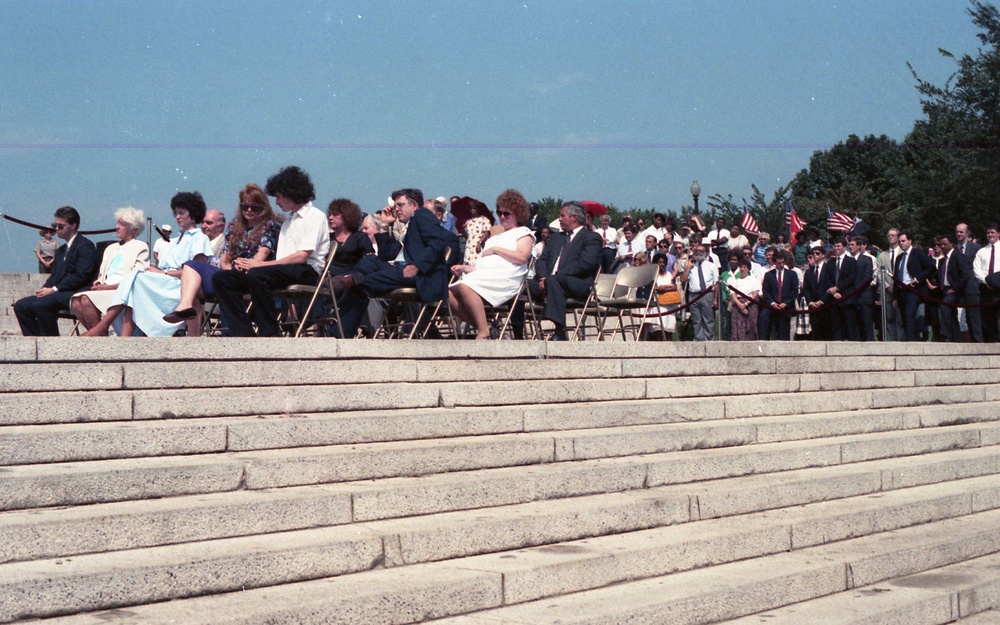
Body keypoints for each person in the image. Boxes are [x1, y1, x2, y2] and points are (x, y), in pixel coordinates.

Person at [212, 166, 330, 337]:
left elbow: (301, 256)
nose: (277, 202)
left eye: (279, 197)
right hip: (282, 270)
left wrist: (260, 265)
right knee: (222, 279)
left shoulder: (315, 216)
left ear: (292, 194)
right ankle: (243, 332)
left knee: (257, 274)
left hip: (306, 270)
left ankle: (270, 332)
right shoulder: (289, 220)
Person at [83, 192, 213, 337]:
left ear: (193, 214)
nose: (177, 216)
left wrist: (162, 273)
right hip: (165, 283)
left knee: (136, 277)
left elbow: (195, 272)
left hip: (181, 285)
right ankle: (121, 334)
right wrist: (156, 271)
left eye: (182, 212)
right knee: (136, 280)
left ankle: (106, 327)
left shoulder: (199, 238)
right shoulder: (174, 241)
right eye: (175, 212)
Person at [333, 188, 453, 339]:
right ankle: (352, 277)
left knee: (360, 284)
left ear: (414, 205)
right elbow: (386, 256)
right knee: (371, 260)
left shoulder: (422, 215)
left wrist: (417, 266)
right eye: (396, 206)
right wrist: (384, 225)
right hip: (399, 268)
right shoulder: (409, 225)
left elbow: (437, 243)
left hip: (419, 275)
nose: (396, 209)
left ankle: (340, 333)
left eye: (400, 205)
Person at [164, 184, 282, 336]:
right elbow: (226, 255)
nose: (249, 211)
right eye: (245, 207)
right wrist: (227, 268)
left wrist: (242, 267)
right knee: (192, 265)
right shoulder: (235, 225)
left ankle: (196, 329)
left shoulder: (270, 226)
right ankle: (185, 306)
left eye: (255, 207)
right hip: (232, 272)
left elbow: (262, 254)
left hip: (253, 272)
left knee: (219, 279)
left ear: (263, 207)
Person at [448, 189, 534, 339]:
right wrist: (464, 268)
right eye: (500, 213)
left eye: (506, 214)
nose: (502, 217)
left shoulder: (523, 233)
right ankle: (484, 326)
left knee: (464, 286)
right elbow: (482, 265)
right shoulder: (495, 237)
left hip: (506, 278)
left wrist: (496, 249)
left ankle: (483, 331)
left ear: (517, 214)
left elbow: (521, 257)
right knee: (447, 292)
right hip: (485, 275)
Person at [517, 201, 602, 341]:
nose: (559, 219)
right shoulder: (556, 238)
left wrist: (554, 276)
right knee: (519, 285)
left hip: (577, 283)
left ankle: (559, 331)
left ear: (574, 217)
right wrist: (544, 278)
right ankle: (517, 331)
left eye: (562, 216)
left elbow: (586, 264)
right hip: (549, 282)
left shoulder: (591, 237)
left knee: (553, 280)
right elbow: (541, 260)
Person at [14, 206, 99, 336]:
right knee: (21, 306)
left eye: (61, 226)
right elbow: (55, 276)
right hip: (59, 292)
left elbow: (81, 276)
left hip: (77, 293)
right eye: (55, 225)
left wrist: (54, 289)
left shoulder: (85, 246)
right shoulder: (60, 251)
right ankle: (36, 341)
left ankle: (50, 342)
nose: (56, 229)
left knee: (42, 304)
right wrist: (45, 289)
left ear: (73, 225)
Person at [70, 207, 150, 331]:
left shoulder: (140, 247)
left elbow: (137, 277)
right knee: (76, 301)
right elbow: (102, 275)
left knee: (86, 300)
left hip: (123, 292)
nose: (117, 227)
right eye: (117, 223)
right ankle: (99, 336)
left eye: (122, 224)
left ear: (134, 230)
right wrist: (99, 283)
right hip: (105, 289)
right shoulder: (110, 248)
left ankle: (99, 336)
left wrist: (108, 287)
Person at [895, 231, 936, 342]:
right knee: (905, 317)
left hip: (914, 290)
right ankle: (914, 339)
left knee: (909, 315)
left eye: (903, 241)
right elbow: (896, 277)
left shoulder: (917, 253)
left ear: (910, 241)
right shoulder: (899, 258)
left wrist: (918, 279)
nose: (901, 244)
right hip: (902, 291)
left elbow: (931, 266)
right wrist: (895, 297)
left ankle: (911, 342)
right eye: (899, 242)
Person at [680, 243, 718, 341]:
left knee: (708, 320)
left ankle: (709, 341)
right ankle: (698, 340)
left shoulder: (711, 266)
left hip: (707, 295)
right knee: (696, 320)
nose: (699, 253)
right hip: (693, 296)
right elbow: (683, 280)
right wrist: (688, 268)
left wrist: (715, 300)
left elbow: (716, 283)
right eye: (697, 251)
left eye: (701, 251)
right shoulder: (691, 266)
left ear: (706, 253)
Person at [937, 233, 970, 342]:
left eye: (944, 244)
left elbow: (965, 274)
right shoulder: (943, 260)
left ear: (951, 244)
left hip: (955, 290)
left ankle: (946, 334)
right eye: (941, 244)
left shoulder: (957, 256)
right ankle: (956, 337)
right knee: (951, 314)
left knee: (944, 306)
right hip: (944, 289)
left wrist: (955, 288)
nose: (942, 247)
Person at [760, 249, 799, 340]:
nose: (781, 265)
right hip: (772, 306)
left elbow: (794, 291)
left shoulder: (792, 274)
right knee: (764, 318)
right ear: (774, 263)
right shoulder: (768, 275)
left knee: (784, 333)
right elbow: (766, 291)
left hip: (786, 307)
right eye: (779, 263)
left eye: (782, 262)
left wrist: (785, 303)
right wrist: (773, 303)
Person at [956, 223, 983, 342]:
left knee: (974, 316)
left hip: (972, 287)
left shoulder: (975, 248)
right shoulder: (954, 248)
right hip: (958, 287)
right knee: (964, 317)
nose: (959, 234)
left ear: (967, 233)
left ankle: (978, 342)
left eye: (961, 232)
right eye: (957, 232)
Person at [974, 224, 1000, 342]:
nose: (990, 235)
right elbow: (976, 269)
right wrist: (986, 281)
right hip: (985, 288)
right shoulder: (981, 251)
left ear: (998, 234)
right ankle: (991, 340)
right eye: (988, 232)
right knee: (987, 315)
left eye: (993, 232)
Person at [726, 256, 761, 341]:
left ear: (748, 269)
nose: (742, 269)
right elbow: (733, 293)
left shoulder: (753, 279)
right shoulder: (736, 280)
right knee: (737, 327)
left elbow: (755, 293)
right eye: (741, 267)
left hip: (750, 304)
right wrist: (739, 304)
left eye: (745, 267)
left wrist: (745, 304)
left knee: (750, 327)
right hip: (737, 304)